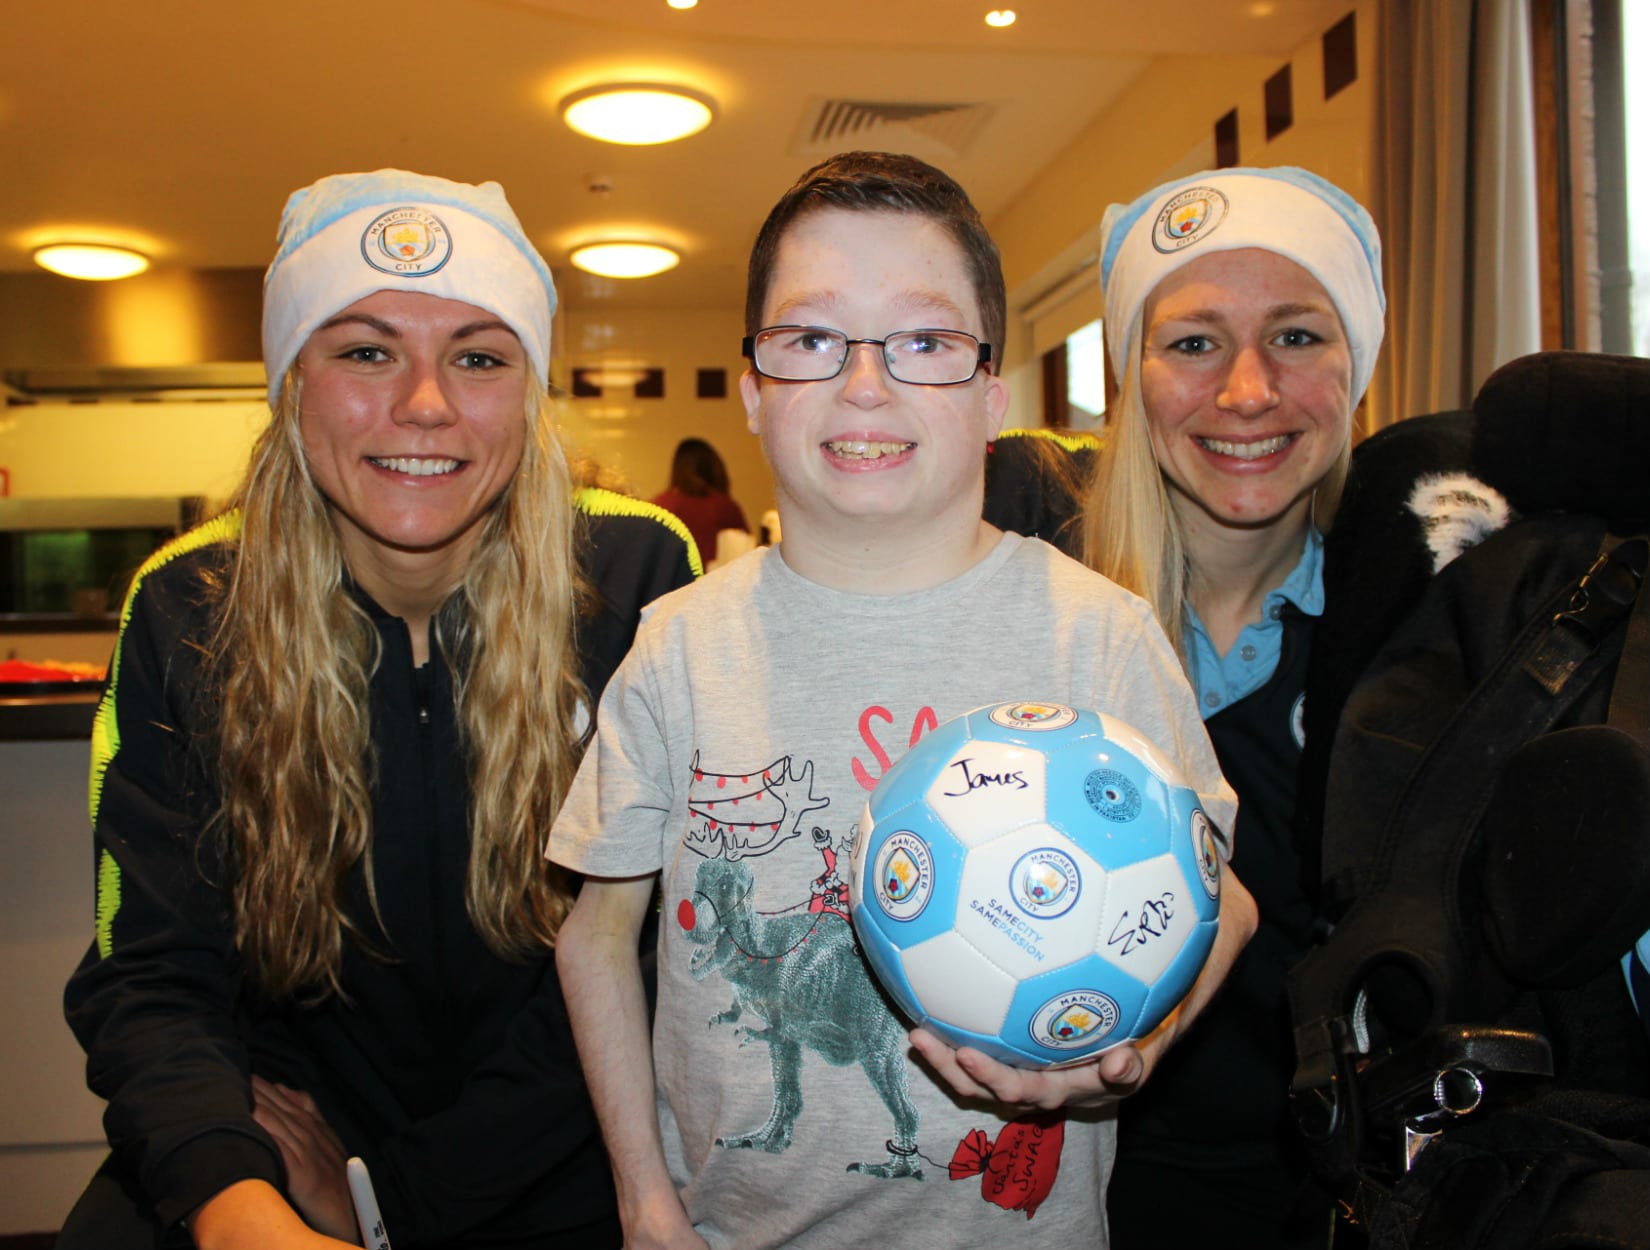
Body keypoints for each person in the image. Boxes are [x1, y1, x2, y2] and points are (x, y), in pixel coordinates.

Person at [548, 150, 1258, 1250]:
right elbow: (597, 937)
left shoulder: (1096, 633)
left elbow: (1225, 892)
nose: (865, 383)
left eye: (922, 342)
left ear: (989, 393)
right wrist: (645, 1205)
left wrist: (1144, 1044)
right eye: (813, 339)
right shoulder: (681, 647)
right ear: (753, 387)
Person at [60, 169, 696, 1250]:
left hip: (568, 1142)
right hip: (288, 1140)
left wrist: (388, 1198)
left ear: (529, 391)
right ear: (290, 382)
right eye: (365, 350)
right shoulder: (189, 606)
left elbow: (656, 954)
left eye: (479, 357)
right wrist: (241, 1203)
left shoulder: (637, 574)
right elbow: (156, 974)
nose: (425, 404)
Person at [1077, 166, 1386, 1249]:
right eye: (1195, 341)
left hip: (1323, 1196)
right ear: (1131, 374)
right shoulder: (1041, 617)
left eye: (1297, 336)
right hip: (1061, 1190)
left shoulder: (1420, 639)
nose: (1248, 391)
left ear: (1356, 368)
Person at [651, 437, 750, 563]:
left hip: (672, 582)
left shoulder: (660, 506)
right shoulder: (724, 507)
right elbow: (745, 556)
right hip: (716, 580)